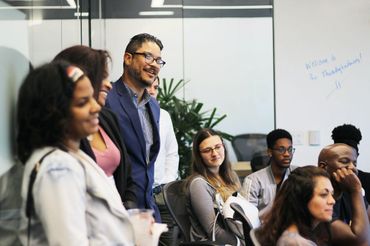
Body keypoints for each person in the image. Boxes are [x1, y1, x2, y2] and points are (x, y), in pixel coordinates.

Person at [16, 61, 134, 245]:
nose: (96, 107)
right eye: (82, 102)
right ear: (54, 112)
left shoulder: (71, 157)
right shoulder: (58, 168)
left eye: (92, 98)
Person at [53, 45, 137, 209]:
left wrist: (129, 209)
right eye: (103, 77)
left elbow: (127, 176)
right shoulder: (61, 140)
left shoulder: (108, 118)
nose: (109, 85)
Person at [106, 33, 164, 221]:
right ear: (128, 58)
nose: (155, 64)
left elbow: (147, 164)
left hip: (148, 209)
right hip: (116, 209)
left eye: (159, 60)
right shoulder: (108, 99)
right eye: (148, 56)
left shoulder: (154, 107)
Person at [253, 166, 335, 246]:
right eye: (324, 194)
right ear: (301, 198)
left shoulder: (296, 235)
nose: (332, 201)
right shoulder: (296, 243)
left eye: (332, 194)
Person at [185, 128, 242, 245]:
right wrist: (241, 243)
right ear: (199, 156)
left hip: (236, 237)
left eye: (218, 147)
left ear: (224, 147)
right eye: (207, 150)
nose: (215, 153)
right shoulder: (199, 184)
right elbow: (213, 231)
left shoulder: (232, 176)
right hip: (213, 243)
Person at [317, 143, 370, 245]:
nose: (353, 168)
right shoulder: (316, 197)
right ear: (323, 167)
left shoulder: (348, 190)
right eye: (344, 162)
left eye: (355, 163)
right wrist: (356, 190)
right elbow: (362, 242)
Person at [147, 76, 179, 245]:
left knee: (169, 239)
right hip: (140, 193)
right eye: (149, 87)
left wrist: (167, 182)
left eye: (156, 87)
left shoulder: (164, 115)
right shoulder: (130, 115)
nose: (153, 91)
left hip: (161, 191)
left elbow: (171, 153)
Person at [241, 128, 297, 218]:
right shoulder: (253, 181)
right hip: (262, 230)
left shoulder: (298, 175)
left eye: (290, 149)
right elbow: (247, 217)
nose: (287, 154)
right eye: (281, 150)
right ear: (270, 152)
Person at [331, 123, 370, 204]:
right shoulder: (323, 182)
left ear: (357, 156)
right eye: (344, 161)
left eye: (354, 162)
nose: (351, 167)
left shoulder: (367, 180)